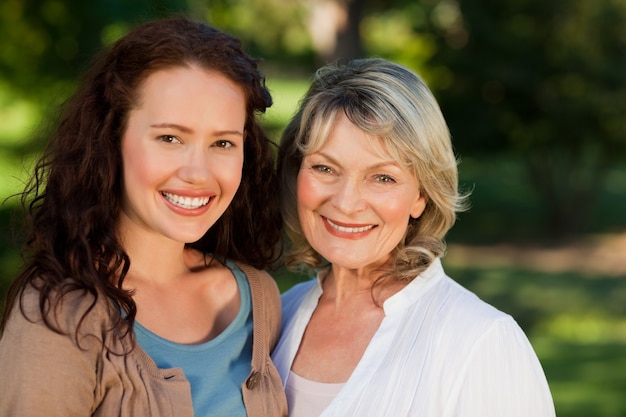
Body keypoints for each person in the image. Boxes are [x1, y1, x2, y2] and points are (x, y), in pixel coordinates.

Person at [0, 17, 287, 417]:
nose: (198, 173)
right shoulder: (60, 319)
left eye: (223, 142)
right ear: (111, 139)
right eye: (170, 138)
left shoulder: (260, 300)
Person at [272, 58, 556, 417]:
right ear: (297, 174)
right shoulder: (275, 315)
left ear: (421, 195)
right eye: (325, 168)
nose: (346, 203)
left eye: (382, 178)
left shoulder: (482, 342)